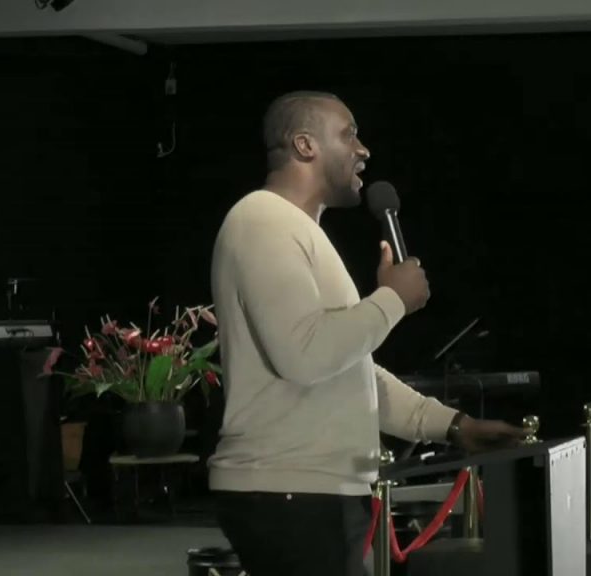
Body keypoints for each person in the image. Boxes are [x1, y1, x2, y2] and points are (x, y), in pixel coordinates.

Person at [208, 90, 527, 576]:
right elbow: (304, 355)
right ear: (305, 145)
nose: (363, 149)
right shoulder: (263, 220)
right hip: (288, 491)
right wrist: (392, 299)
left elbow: (352, 372)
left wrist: (454, 426)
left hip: (309, 492)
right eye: (349, 134)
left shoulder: (298, 229)